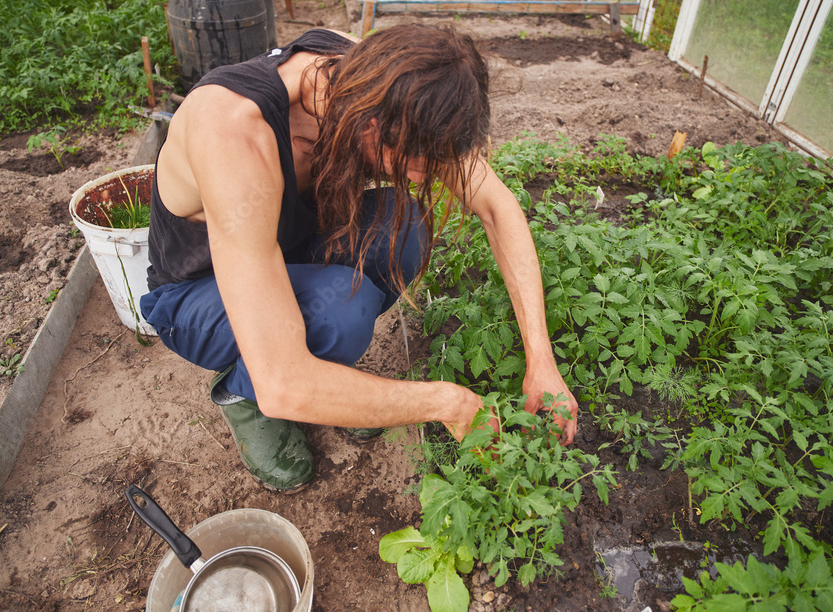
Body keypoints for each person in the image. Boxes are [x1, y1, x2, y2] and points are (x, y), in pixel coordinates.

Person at [140, 24, 578, 493]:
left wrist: (541, 359)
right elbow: (282, 380)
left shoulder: (372, 76)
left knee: (405, 227)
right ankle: (242, 396)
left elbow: (496, 206)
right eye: (417, 164)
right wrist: (448, 404)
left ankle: (331, 383)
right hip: (196, 294)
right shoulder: (232, 134)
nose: (422, 176)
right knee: (339, 312)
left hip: (286, 251)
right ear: (373, 126)